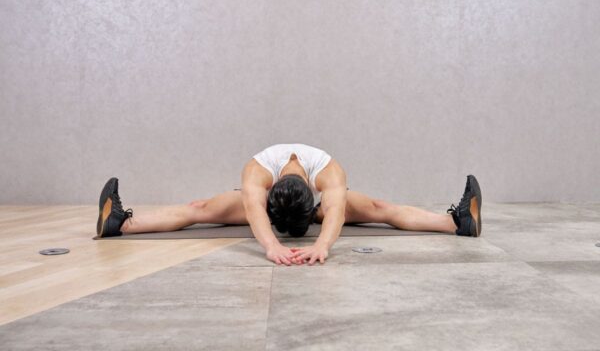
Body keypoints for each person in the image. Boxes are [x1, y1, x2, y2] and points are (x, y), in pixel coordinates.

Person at [96, 143, 482, 266]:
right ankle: (119, 222)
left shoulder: (328, 172)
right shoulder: (257, 173)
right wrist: (270, 245)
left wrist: (323, 245)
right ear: (270, 193)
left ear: (314, 198)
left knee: (379, 208)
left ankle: (458, 221)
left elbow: (335, 211)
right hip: (276, 209)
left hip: (303, 208)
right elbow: (252, 209)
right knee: (202, 207)